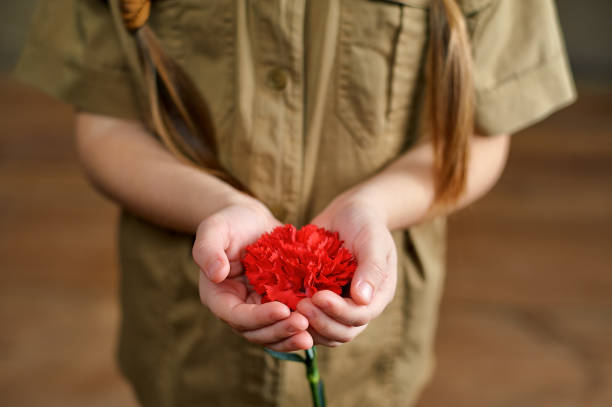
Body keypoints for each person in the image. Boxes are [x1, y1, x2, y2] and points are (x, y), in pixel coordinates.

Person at [15, 0, 576, 405]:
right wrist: (214, 204)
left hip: (375, 361)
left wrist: (375, 207)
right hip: (184, 343)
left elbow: (478, 137)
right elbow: (106, 130)